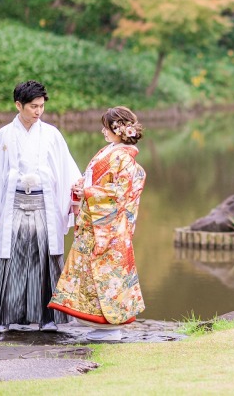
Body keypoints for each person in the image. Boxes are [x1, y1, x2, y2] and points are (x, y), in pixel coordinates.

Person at [0, 80, 82, 334]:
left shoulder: (52, 134)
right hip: (13, 203)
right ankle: (1, 318)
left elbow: (66, 170)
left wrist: (74, 199)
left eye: (41, 106)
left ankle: (48, 317)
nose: (38, 111)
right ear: (18, 105)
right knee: (11, 258)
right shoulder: (4, 135)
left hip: (44, 203)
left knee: (46, 257)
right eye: (33, 106)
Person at [49, 106, 147, 341]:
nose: (103, 131)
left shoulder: (124, 158)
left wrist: (87, 190)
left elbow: (118, 193)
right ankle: (99, 324)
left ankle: (111, 326)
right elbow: (95, 179)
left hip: (108, 227)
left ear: (118, 129)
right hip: (95, 221)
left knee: (106, 274)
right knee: (92, 274)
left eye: (107, 126)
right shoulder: (111, 151)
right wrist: (81, 186)